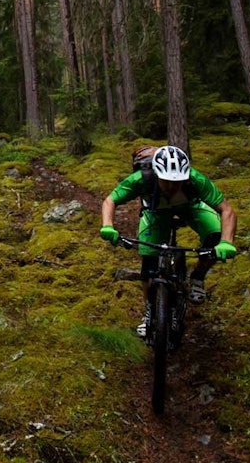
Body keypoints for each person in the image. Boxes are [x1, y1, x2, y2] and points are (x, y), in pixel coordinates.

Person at [99, 144, 238, 337]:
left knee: (215, 236)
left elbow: (227, 210)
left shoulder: (195, 179)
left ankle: (197, 277)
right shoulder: (142, 178)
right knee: (149, 265)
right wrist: (108, 225)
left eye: (177, 182)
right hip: (156, 212)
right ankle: (149, 312)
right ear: (157, 175)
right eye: (167, 182)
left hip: (191, 207)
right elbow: (110, 200)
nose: (172, 186)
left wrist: (226, 242)